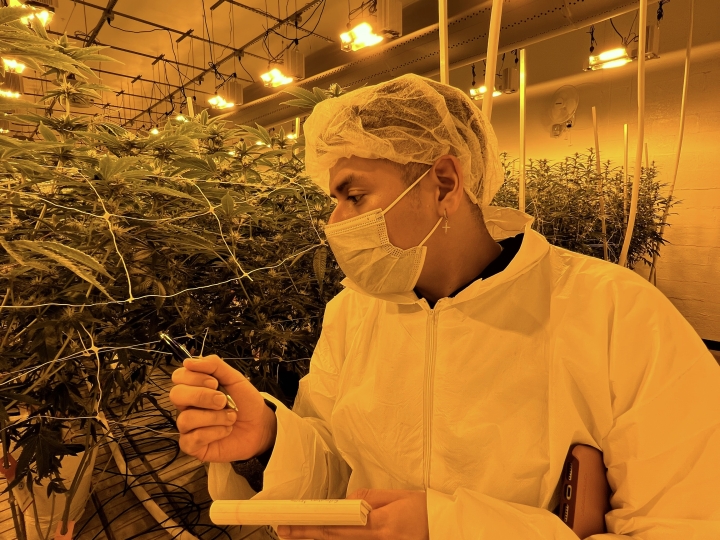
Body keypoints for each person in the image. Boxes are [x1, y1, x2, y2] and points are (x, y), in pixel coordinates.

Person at [169, 74, 720, 539]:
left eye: (354, 196)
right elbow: (338, 473)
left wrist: (451, 526)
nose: (335, 224)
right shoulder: (354, 313)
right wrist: (265, 440)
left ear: (444, 182)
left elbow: (684, 523)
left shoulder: (617, 314)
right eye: (333, 202)